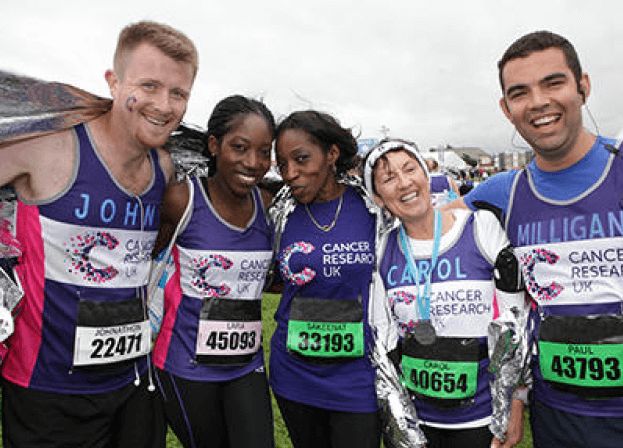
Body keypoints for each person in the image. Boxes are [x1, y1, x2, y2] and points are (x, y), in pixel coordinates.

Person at [449, 30, 623, 448]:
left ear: (583, 87)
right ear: (506, 108)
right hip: (558, 419)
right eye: (520, 92)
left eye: (553, 83)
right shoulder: (503, 193)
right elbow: (421, 223)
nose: (538, 102)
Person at [0, 21, 198, 448]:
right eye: (149, 85)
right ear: (113, 81)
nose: (164, 105)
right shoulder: (47, 149)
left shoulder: (162, 168)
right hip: (47, 389)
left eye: (178, 93)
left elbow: (161, 233)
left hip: (132, 384)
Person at [364, 139, 526, 448]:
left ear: (426, 176)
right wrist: (403, 428)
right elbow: (383, 342)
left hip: (481, 418)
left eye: (410, 169)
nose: (404, 182)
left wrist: (514, 404)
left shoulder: (480, 227)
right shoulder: (384, 249)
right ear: (379, 198)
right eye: (388, 178)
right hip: (420, 420)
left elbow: (514, 322)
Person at [151, 96, 276, 448]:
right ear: (214, 146)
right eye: (240, 147)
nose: (253, 163)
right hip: (184, 365)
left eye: (264, 151)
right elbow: (144, 260)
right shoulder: (181, 200)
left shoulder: (267, 205)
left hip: (246, 364)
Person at [268, 110, 381, 448]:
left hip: (358, 376)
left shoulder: (371, 205)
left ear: (332, 154)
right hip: (295, 375)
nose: (290, 173)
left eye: (302, 159)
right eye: (282, 164)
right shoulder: (279, 212)